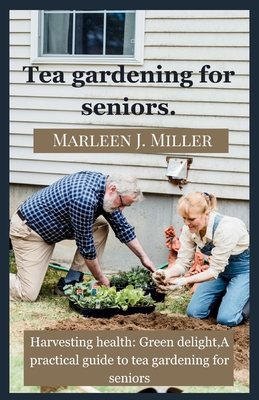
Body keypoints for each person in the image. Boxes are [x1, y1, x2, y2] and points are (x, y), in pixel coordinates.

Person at [9, 171, 156, 301]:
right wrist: (101, 278)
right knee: (27, 293)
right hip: (31, 232)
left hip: (51, 229)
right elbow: (86, 248)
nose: (122, 209)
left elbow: (123, 228)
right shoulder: (84, 198)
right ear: (113, 190)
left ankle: (70, 282)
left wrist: (144, 258)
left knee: (101, 227)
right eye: (122, 204)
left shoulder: (104, 189)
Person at [152, 191, 249, 327]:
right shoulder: (189, 230)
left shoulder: (227, 229)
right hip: (221, 272)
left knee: (226, 319)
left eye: (191, 219)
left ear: (207, 214)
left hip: (245, 271)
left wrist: (184, 281)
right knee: (194, 312)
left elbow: (213, 271)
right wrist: (166, 274)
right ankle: (229, 298)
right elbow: (183, 263)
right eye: (184, 218)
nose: (186, 223)